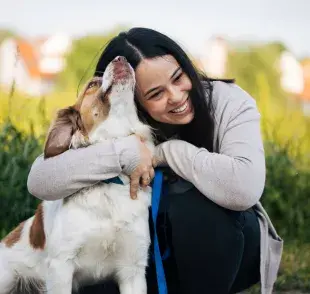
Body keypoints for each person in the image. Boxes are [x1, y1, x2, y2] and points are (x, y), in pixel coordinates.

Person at [27, 27, 283, 294]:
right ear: (133, 97)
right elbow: (40, 180)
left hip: (229, 249)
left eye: (178, 77)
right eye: (156, 94)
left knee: (195, 206)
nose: (176, 97)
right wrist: (126, 152)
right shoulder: (121, 122)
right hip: (145, 258)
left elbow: (244, 188)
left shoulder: (229, 101)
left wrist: (167, 152)